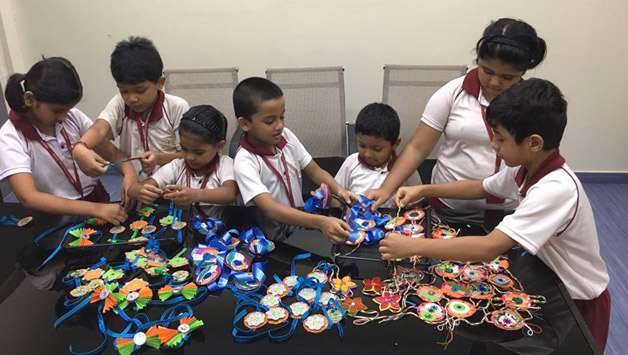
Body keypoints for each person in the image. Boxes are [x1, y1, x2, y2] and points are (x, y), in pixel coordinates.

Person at [380, 79, 610, 352]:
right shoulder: (524, 167)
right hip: (545, 281)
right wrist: (424, 188)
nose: (493, 145)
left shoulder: (555, 189)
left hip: (575, 302)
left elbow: (490, 247)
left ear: (534, 142)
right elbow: (481, 187)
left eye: (500, 138)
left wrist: (412, 246)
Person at [367, 18, 547, 223]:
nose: (495, 82)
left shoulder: (532, 105)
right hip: (449, 207)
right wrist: (386, 189)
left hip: (510, 210)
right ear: (477, 60)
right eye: (487, 71)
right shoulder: (453, 93)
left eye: (507, 77)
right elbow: (417, 147)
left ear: (522, 73)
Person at [0, 57, 133, 224]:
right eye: (57, 111)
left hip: (97, 202)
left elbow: (112, 153)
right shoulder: (11, 137)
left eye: (68, 110)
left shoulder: (72, 117)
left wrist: (129, 173)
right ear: (29, 99)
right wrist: (94, 208)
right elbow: (29, 197)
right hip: (55, 216)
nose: (63, 117)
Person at [233, 77, 355, 243]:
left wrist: (339, 190)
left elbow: (314, 170)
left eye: (281, 117)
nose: (279, 126)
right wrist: (320, 222)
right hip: (271, 234)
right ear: (245, 124)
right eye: (270, 121)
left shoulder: (286, 137)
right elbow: (270, 209)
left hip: (300, 222)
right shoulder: (245, 161)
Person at [72, 36, 189, 179]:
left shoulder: (177, 107)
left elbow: (189, 155)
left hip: (171, 187)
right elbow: (99, 129)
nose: (131, 99)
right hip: (135, 186)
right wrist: (80, 147)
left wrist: (158, 158)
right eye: (124, 91)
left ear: (160, 82)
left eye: (140, 90)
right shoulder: (120, 103)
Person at [129, 105, 236, 207]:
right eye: (184, 149)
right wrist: (139, 191)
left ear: (219, 146)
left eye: (198, 152)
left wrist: (196, 195)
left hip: (220, 225)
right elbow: (133, 189)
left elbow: (230, 193)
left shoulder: (225, 164)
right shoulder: (177, 166)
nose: (189, 157)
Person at [335, 103, 421, 208]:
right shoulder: (351, 163)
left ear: (395, 144)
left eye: (377, 149)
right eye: (362, 145)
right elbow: (336, 198)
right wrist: (327, 198)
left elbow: (418, 203)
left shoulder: (406, 168)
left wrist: (404, 205)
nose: (368, 154)